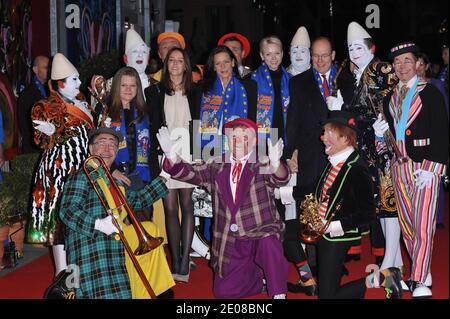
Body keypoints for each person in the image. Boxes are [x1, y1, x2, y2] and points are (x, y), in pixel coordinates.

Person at [158, 117, 290, 299]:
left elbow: (280, 178)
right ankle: (258, 279)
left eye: (245, 137)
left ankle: (278, 292)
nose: (238, 141)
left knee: (269, 244)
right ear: (227, 140)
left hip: (260, 231)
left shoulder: (262, 162)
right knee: (223, 293)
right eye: (234, 136)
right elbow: (190, 173)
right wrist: (172, 157)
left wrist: (276, 164)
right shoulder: (216, 164)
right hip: (230, 238)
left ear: (253, 141)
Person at [59, 127, 173, 299]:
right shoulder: (82, 176)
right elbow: (67, 211)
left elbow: (139, 200)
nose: (107, 149)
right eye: (102, 143)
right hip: (93, 247)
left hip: (113, 241)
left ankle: (154, 289)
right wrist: (98, 224)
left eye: (112, 145)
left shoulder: (114, 181)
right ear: (91, 149)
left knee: (149, 228)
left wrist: (165, 173)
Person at [373, 42, 449, 298]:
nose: (402, 66)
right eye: (397, 62)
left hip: (423, 168)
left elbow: (441, 134)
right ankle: (422, 271)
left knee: (425, 225)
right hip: (399, 168)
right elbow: (387, 142)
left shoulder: (431, 93)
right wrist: (380, 136)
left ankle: (418, 279)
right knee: (408, 227)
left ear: (417, 63)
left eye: (407, 61)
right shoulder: (391, 97)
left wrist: (433, 168)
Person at [329, 21, 399, 268]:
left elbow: (396, 100)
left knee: (388, 202)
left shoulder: (381, 68)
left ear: (371, 48)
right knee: (379, 202)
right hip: (368, 147)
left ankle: (390, 259)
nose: (353, 52)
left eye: (358, 47)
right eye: (350, 48)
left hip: (383, 146)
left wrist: (388, 125)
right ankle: (395, 257)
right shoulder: (357, 76)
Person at [28, 53, 95, 298]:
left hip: (84, 167)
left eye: (77, 78)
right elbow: (41, 141)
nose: (79, 83)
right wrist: (50, 133)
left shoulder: (83, 102)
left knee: (79, 220)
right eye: (73, 79)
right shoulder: (44, 107)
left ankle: (76, 273)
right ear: (59, 83)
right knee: (60, 220)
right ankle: (62, 275)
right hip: (59, 169)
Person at [316, 110, 402, 299]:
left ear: (346, 138)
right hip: (324, 230)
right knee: (326, 290)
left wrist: (334, 226)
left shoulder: (356, 168)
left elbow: (367, 213)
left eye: (329, 133)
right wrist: (288, 192)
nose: (323, 137)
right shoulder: (334, 161)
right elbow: (318, 187)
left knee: (326, 296)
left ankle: (383, 276)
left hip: (338, 234)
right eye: (324, 132)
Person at [284, 36, 337, 294]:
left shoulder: (345, 80)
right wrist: (290, 152)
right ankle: (314, 269)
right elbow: (292, 119)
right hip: (310, 154)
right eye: (315, 55)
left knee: (336, 207)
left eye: (324, 55)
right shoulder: (298, 82)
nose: (319, 60)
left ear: (334, 55)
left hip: (341, 155)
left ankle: (333, 262)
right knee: (311, 209)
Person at [145, 47, 198, 282]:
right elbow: (152, 124)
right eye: (171, 61)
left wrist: (199, 154)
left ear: (186, 65)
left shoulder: (196, 92)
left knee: (187, 205)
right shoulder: (153, 91)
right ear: (166, 65)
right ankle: (174, 258)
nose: (176, 64)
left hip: (187, 154)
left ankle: (185, 260)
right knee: (168, 208)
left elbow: (200, 125)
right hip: (164, 153)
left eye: (180, 61)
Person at [416, 52, 449, 229]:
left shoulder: (437, 84)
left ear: (427, 66)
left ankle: (438, 218)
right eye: (417, 64)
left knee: (436, 173)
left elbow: (444, 110)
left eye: (422, 64)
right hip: (416, 138)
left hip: (435, 135)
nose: (419, 68)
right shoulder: (408, 86)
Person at [252, 36, 291, 143]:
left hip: (285, 133)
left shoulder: (291, 80)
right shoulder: (252, 80)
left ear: (282, 54)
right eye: (268, 54)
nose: (273, 58)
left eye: (277, 53)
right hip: (262, 136)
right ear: (262, 55)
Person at [17, 56, 50, 153]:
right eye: (46, 68)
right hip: (34, 148)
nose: (49, 71)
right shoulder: (27, 94)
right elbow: (27, 125)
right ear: (36, 70)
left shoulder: (49, 90)